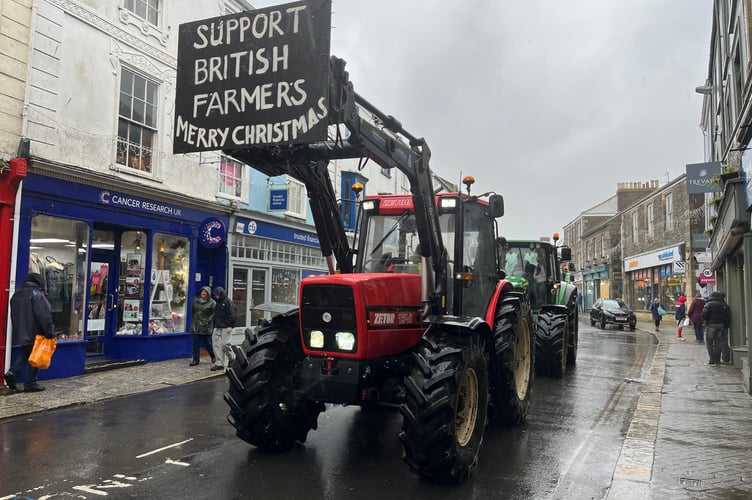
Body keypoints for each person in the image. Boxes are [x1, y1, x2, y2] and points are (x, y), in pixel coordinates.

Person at [4, 272, 55, 392]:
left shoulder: (17, 294)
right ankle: (30, 383)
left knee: (26, 353)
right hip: (36, 332)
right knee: (36, 356)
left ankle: (12, 373)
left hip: (21, 332)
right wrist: (49, 332)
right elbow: (44, 315)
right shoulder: (37, 294)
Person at [701, 291, 731, 366]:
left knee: (709, 343)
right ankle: (717, 360)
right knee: (718, 343)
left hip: (711, 325)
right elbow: (727, 316)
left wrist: (707, 321)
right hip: (721, 325)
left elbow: (703, 314)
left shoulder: (709, 304)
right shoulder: (724, 304)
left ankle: (712, 360)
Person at [189, 286, 216, 367]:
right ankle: (195, 360)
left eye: (205, 292)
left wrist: (207, 321)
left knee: (208, 343)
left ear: (208, 294)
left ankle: (213, 355)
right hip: (196, 325)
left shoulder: (212, 303)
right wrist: (194, 321)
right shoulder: (195, 301)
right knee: (195, 344)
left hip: (206, 326)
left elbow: (214, 314)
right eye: (202, 291)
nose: (203, 293)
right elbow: (193, 312)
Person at [211, 286, 236, 372]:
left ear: (221, 294)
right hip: (217, 326)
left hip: (225, 326)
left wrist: (230, 325)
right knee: (216, 345)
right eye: (215, 295)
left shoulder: (228, 302)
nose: (216, 296)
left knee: (225, 344)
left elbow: (232, 314)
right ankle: (219, 363)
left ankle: (232, 358)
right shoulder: (218, 302)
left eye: (217, 295)